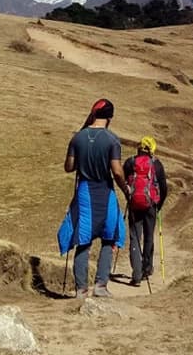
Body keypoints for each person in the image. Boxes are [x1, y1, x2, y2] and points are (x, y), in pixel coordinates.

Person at [56, 98, 128, 299]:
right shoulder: (112, 140)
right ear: (110, 117)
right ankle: (101, 285)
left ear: (93, 114)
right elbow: (117, 171)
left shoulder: (78, 138)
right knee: (110, 236)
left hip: (85, 191)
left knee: (83, 238)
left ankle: (81, 289)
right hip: (105, 191)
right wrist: (126, 189)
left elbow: (69, 167)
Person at [122, 136, 168, 286]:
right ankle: (147, 269)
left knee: (135, 237)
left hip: (134, 204)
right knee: (149, 236)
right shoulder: (156, 164)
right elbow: (164, 188)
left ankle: (136, 273)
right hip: (151, 205)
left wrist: (129, 197)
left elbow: (123, 181)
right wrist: (158, 205)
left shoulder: (130, 162)